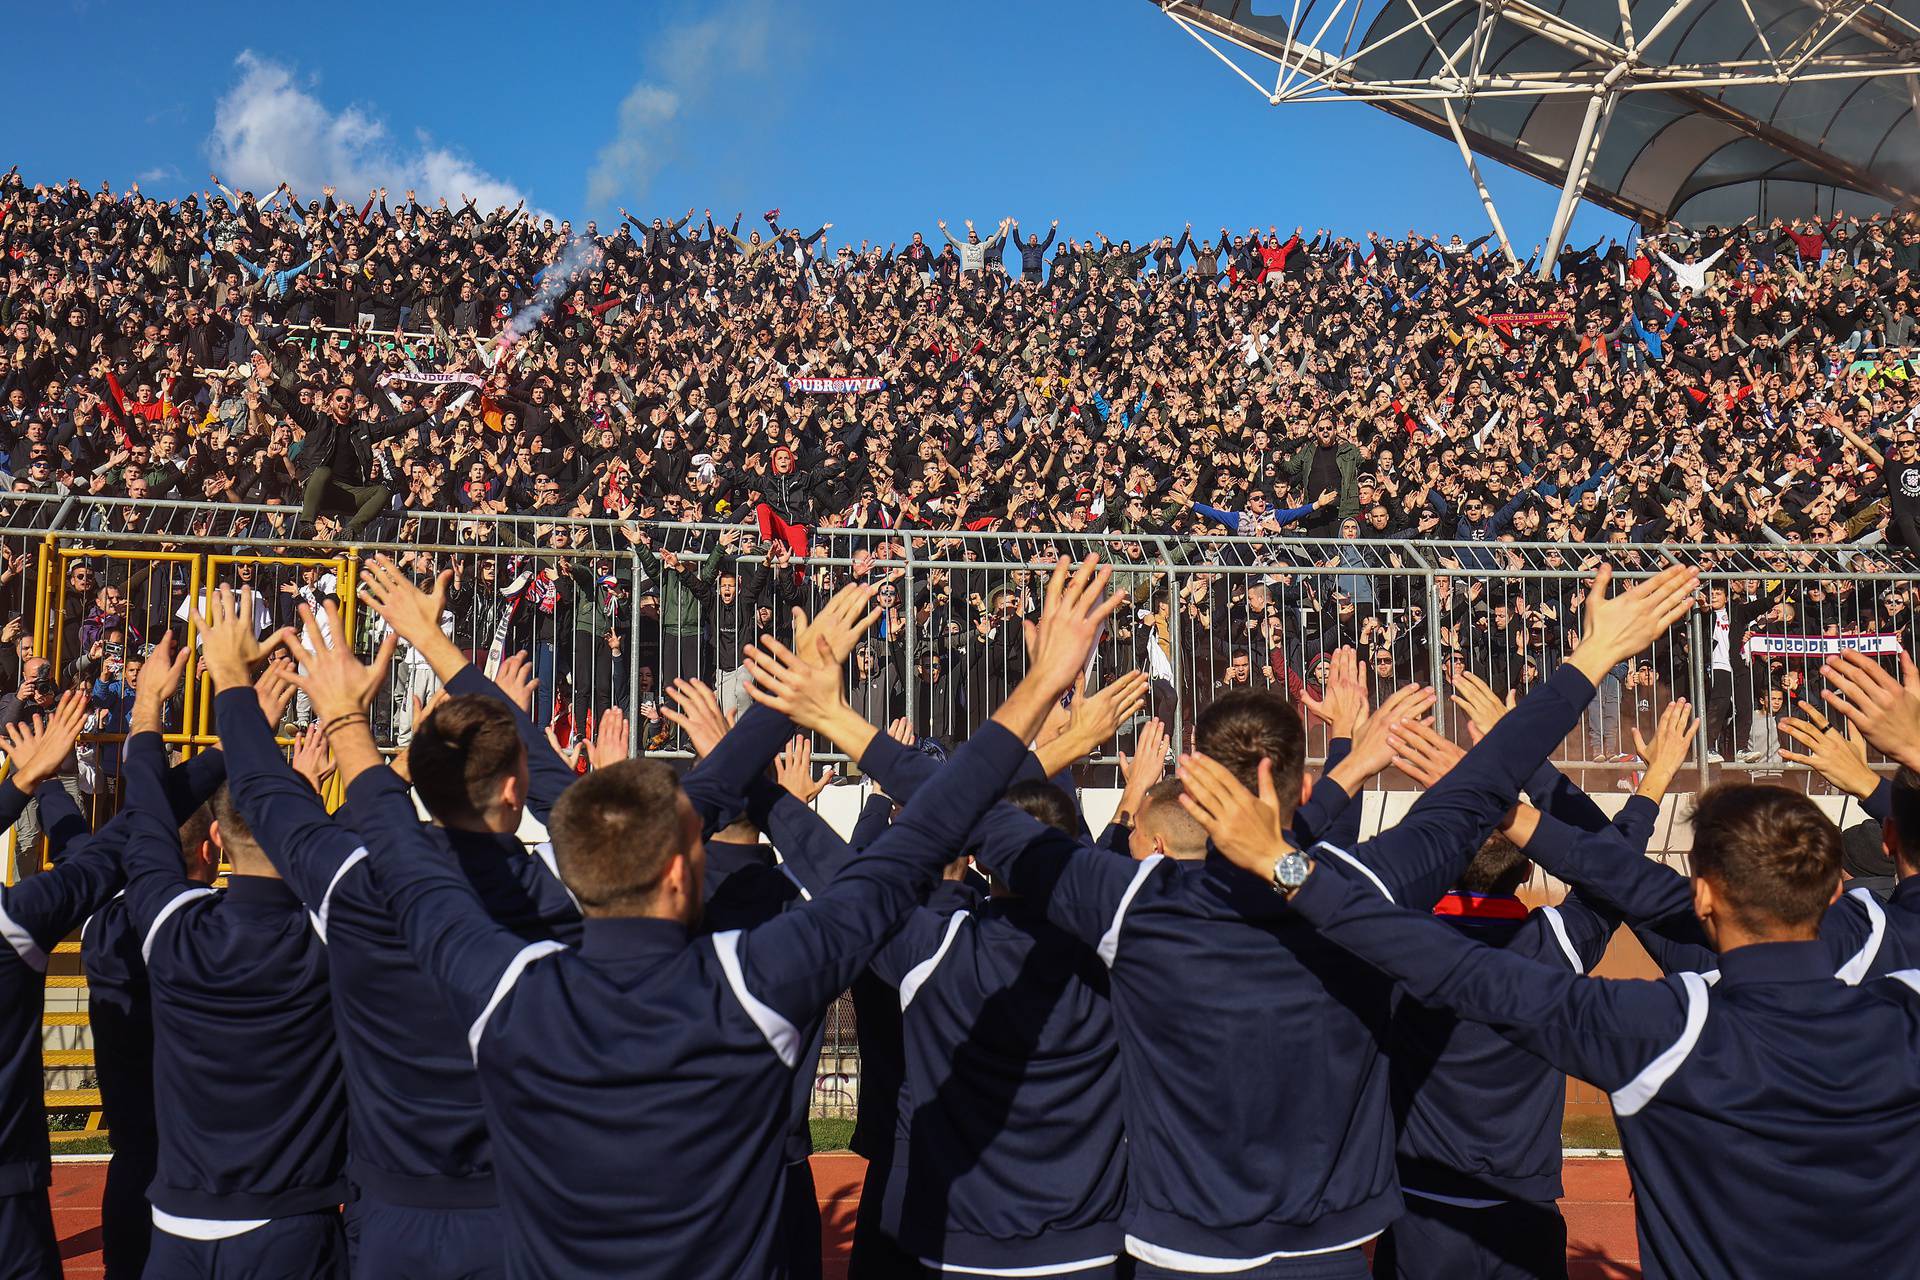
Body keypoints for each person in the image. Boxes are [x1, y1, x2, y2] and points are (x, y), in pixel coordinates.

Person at [241, 558, 1123, 1275]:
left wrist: (347, 705)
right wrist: (1036, 684)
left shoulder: (504, 981)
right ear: (679, 868)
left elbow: (399, 846)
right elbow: (917, 838)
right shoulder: (759, 981)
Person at [1199, 752, 1920, 1277]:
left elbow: (1451, 966)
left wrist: (1285, 867)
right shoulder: (1905, 1011)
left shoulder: (1662, 1030)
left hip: (1426, 1211)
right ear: (1837, 892)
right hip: (1517, 1200)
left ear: (1703, 897)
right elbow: (1614, 891)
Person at [111, 634, 348, 1278]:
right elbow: (375, 835)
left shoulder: (171, 927)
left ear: (216, 836)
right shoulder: (329, 934)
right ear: (305, 825)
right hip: (290, 1225)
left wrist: (148, 709)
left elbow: (148, 818)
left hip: (176, 1230)